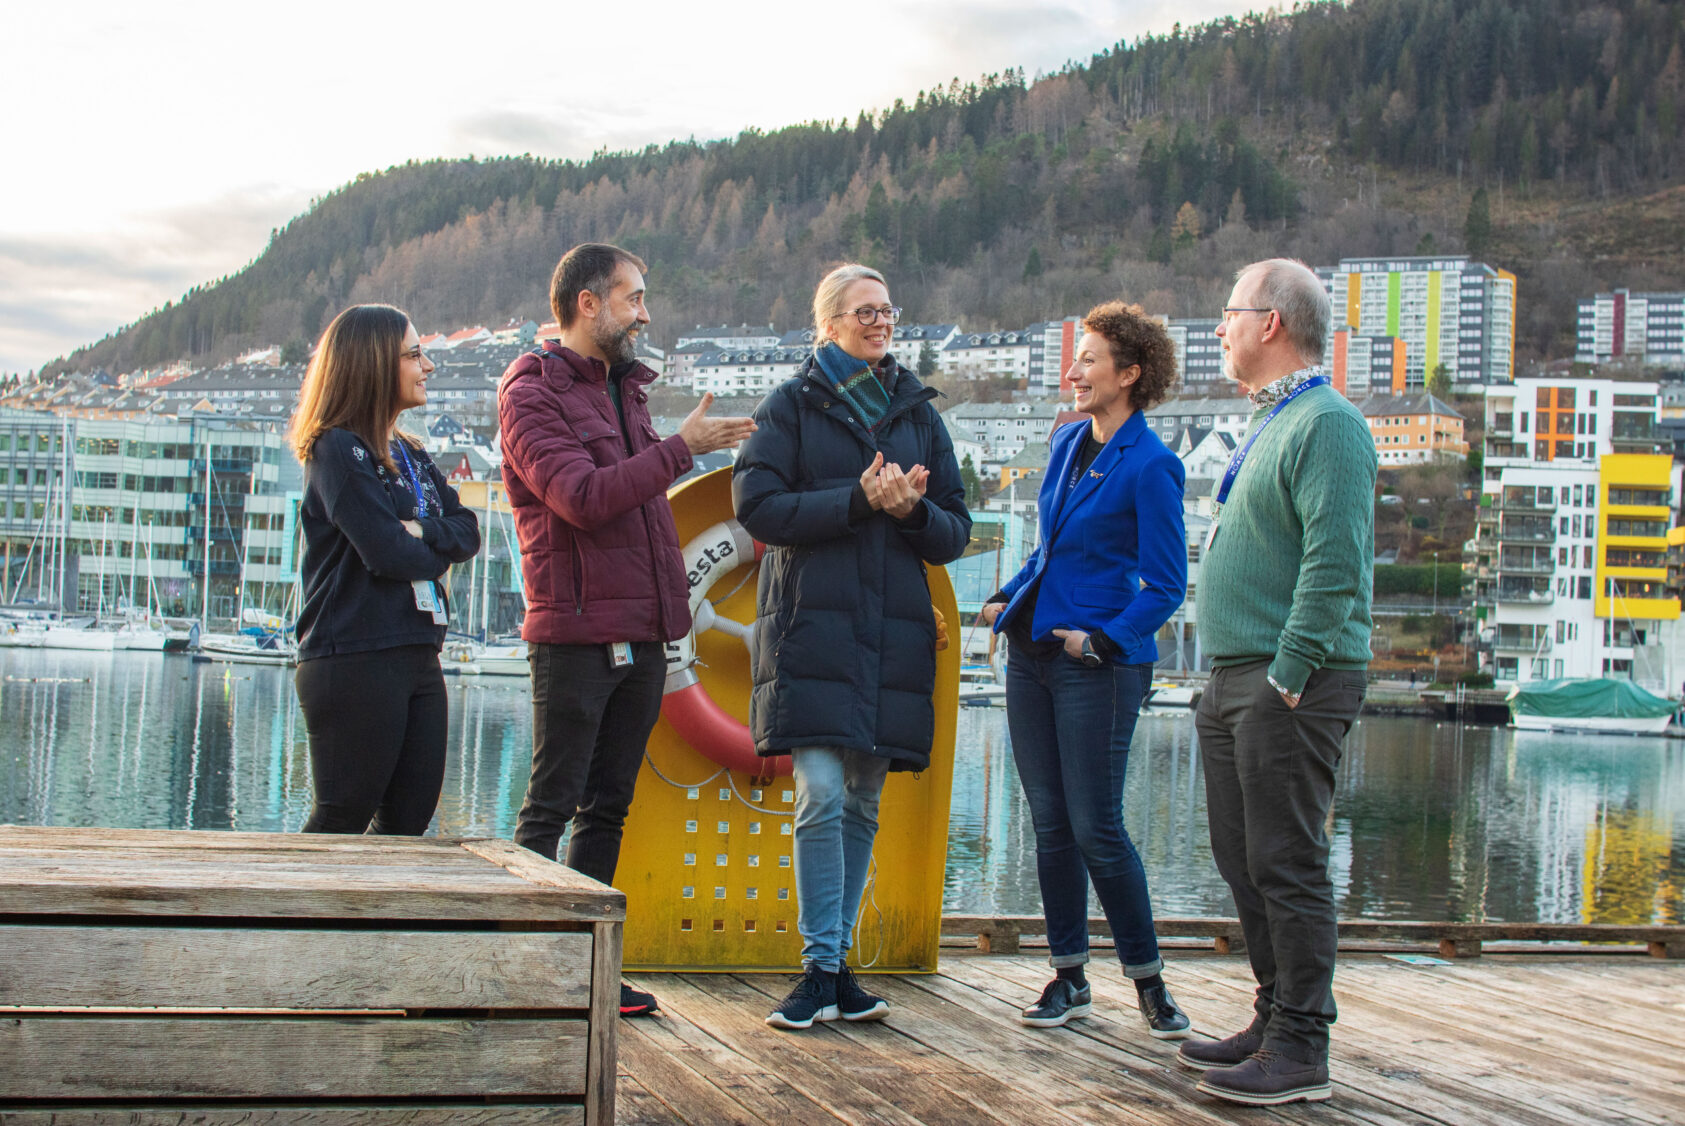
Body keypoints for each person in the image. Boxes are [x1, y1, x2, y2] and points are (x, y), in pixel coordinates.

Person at [499, 243, 755, 1018]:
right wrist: (683, 449)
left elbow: (635, 494)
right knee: (551, 804)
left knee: (607, 807)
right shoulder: (529, 392)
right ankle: (515, 974)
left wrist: (666, 445)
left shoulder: (625, 390)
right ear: (587, 302)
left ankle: (585, 976)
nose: (645, 312)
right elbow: (581, 496)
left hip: (646, 631)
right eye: (633, 297)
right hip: (575, 632)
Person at [733, 263, 971, 1030]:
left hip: (890, 633)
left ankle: (838, 973)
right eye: (864, 312)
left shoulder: (916, 411)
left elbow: (955, 531)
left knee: (864, 799)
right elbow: (758, 508)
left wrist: (906, 512)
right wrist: (855, 499)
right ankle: (816, 967)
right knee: (822, 794)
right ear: (828, 323)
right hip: (813, 629)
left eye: (887, 310)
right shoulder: (789, 407)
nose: (880, 323)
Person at [1183, 259, 1376, 1106]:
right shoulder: (1271, 421)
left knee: (1286, 860)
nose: (1217, 328)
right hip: (1233, 678)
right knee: (1241, 857)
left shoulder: (1326, 424)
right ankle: (1273, 1015)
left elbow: (1336, 562)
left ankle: (1302, 1044)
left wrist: (1289, 674)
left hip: (1287, 679)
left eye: (1227, 313)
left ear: (1269, 323)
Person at [979, 302, 1192, 1040]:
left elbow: (1166, 585)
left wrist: (1101, 641)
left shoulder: (1154, 465)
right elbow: (1053, 547)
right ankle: (1068, 978)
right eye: (1076, 358)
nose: (1074, 371)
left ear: (1128, 375)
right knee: (1048, 824)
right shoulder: (1069, 444)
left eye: (1091, 359)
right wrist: (1011, 592)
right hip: (1030, 656)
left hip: (1095, 667)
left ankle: (1149, 984)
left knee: (1096, 826)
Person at [290, 304, 481, 836]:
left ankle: (368, 921)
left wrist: (422, 532)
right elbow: (386, 553)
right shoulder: (336, 448)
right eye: (415, 354)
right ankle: (291, 916)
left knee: (406, 822)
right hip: (352, 654)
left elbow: (469, 529)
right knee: (342, 817)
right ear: (373, 363)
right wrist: (423, 540)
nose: (429, 367)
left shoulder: (412, 453)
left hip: (419, 653)